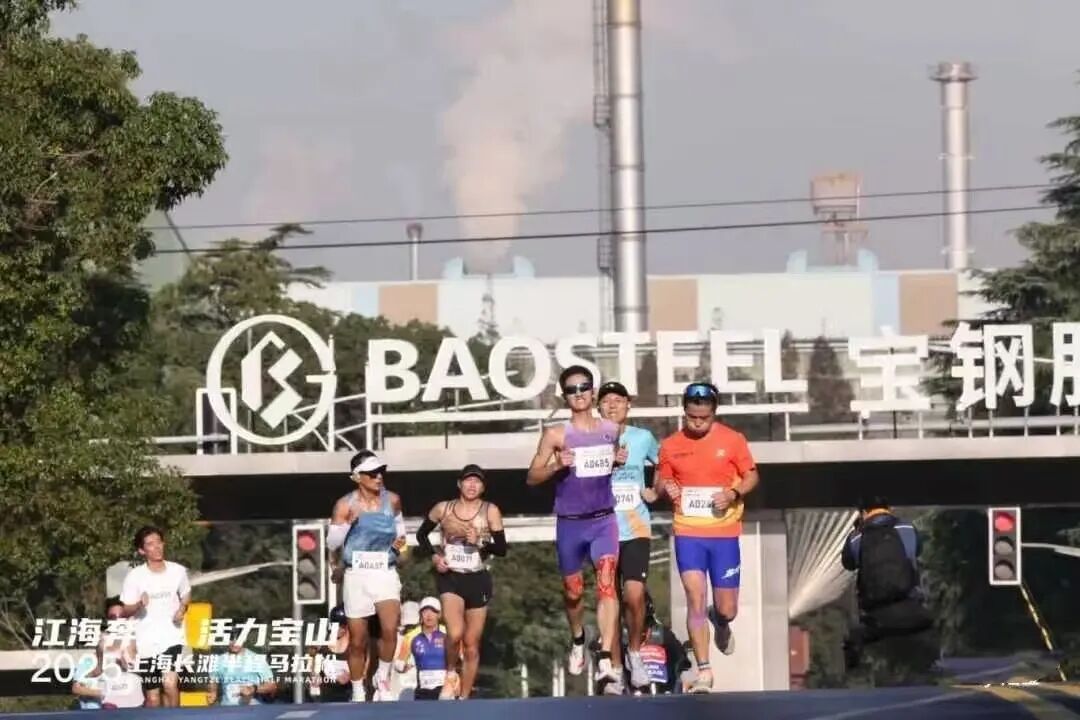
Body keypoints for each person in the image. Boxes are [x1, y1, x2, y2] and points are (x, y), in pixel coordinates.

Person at [656, 382, 759, 694]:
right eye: (692, 417)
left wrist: (733, 493)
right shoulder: (670, 445)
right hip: (688, 531)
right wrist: (668, 488)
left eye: (704, 417)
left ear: (714, 413)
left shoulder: (733, 440)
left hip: (724, 533)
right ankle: (704, 670)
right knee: (695, 596)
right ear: (684, 412)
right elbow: (663, 480)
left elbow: (752, 475)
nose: (698, 422)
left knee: (727, 609)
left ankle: (721, 621)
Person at [527, 365, 624, 689]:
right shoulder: (556, 434)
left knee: (607, 584)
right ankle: (578, 638)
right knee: (573, 592)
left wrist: (618, 460)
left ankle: (606, 657)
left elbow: (610, 461)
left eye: (584, 387)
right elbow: (532, 477)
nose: (579, 393)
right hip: (570, 525)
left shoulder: (611, 429)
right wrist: (557, 464)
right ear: (564, 396)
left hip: (604, 520)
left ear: (593, 392)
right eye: (572, 389)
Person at [416, 463, 507, 700]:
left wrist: (480, 542)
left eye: (477, 481)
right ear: (459, 484)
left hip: (477, 579)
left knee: (471, 644)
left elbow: (502, 549)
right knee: (455, 633)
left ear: (483, 487)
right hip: (451, 577)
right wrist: (435, 557)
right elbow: (421, 535)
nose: (472, 485)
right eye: (468, 480)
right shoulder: (443, 509)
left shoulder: (490, 511)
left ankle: (464, 698)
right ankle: (450, 674)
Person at [325, 451, 407, 702]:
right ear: (357, 477)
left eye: (380, 472)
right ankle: (358, 689)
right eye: (372, 473)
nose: (378, 477)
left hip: (384, 571)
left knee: (390, 629)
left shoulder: (393, 500)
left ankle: (382, 677)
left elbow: (401, 534)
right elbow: (331, 544)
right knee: (358, 640)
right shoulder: (344, 505)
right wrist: (347, 525)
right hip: (356, 575)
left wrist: (400, 547)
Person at [596, 380, 660, 692]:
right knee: (609, 599)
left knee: (634, 595)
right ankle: (616, 668)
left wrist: (655, 489)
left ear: (628, 405)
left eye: (618, 400)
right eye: (606, 400)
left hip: (635, 527)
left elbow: (665, 464)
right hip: (601, 529)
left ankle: (634, 652)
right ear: (598, 407)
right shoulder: (590, 439)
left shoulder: (642, 437)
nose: (612, 405)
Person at [840, 497, 932, 669]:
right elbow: (918, 551)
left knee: (856, 635)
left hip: (874, 614)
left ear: (863, 513)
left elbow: (848, 563)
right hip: (910, 607)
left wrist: (856, 530)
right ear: (889, 509)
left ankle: (853, 666)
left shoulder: (856, 538)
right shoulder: (907, 528)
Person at [119, 525, 192, 707]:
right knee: (153, 696)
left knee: (169, 684)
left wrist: (182, 608)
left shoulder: (178, 571)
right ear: (142, 550)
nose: (157, 547)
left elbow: (186, 593)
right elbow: (125, 610)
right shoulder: (135, 576)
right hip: (146, 641)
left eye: (159, 542)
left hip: (173, 637)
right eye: (150, 544)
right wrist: (139, 604)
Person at [206, 627, 277, 706]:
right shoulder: (218, 661)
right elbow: (213, 683)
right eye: (231, 639)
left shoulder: (256, 659)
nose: (235, 642)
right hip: (227, 709)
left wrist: (253, 689)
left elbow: (272, 686)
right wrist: (212, 693)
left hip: (253, 709)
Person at [398, 597, 448, 701]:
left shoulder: (448, 634)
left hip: (446, 690)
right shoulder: (410, 636)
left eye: (433, 611)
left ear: (439, 614)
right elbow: (399, 664)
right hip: (423, 690)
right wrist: (404, 666)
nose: (429, 615)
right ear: (420, 614)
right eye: (425, 611)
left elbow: (463, 659)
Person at [309, 605, 351, 703]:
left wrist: (351, 676)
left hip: (350, 694)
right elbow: (311, 656)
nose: (337, 629)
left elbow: (366, 667)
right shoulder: (322, 641)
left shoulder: (355, 644)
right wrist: (314, 673)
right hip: (327, 695)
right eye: (334, 625)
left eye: (341, 626)